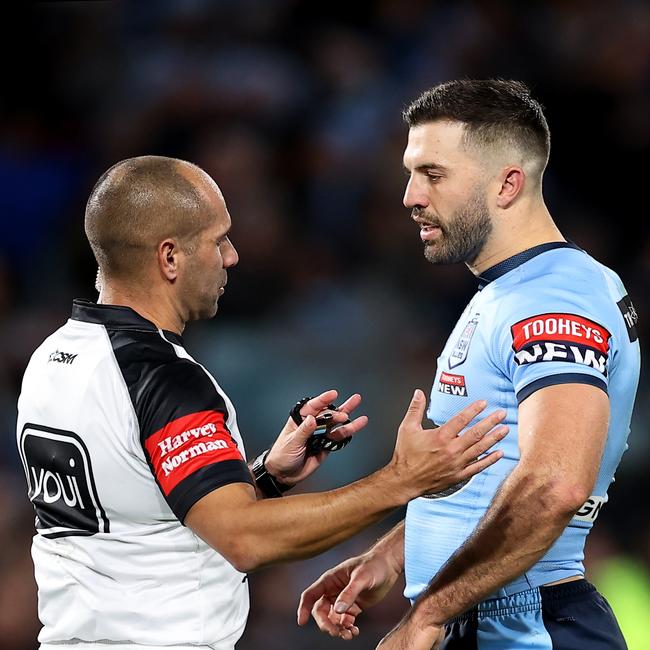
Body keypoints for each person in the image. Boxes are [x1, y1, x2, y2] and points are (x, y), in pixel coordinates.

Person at [16, 155, 509, 650]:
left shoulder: (55, 358)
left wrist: (267, 477)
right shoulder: (163, 378)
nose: (231, 256)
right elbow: (242, 539)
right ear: (170, 257)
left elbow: (138, 511)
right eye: (218, 240)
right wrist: (402, 480)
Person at [298, 79, 640, 649]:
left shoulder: (552, 299)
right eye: (411, 173)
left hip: (529, 626)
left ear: (507, 183)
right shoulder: (513, 290)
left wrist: (427, 615)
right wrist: (397, 553)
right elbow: (496, 475)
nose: (410, 196)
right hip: (497, 616)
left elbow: (555, 483)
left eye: (433, 175)